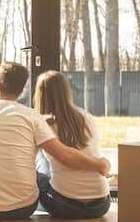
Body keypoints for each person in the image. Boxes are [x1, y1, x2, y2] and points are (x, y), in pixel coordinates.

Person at [0, 62, 111, 220]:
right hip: (29, 207)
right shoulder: (35, 117)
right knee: (38, 151)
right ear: (22, 91)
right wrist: (101, 164)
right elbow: (64, 154)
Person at [32, 70, 112, 219]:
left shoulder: (41, 124)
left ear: (40, 95)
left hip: (66, 206)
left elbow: (67, 157)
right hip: (101, 204)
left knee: (38, 165)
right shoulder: (86, 117)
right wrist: (101, 164)